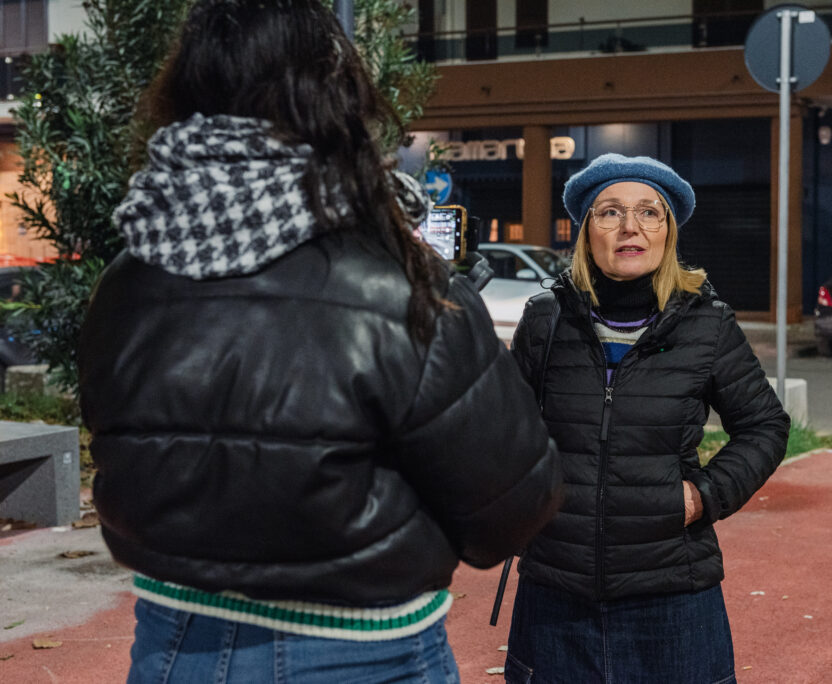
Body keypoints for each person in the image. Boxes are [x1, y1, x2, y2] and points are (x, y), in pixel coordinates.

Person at [76, 1, 562, 682]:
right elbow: (515, 505)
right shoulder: (396, 282)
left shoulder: (128, 278)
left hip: (171, 644)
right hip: (362, 653)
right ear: (336, 93)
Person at [505, 153, 790, 684]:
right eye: (609, 212)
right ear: (586, 229)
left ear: (668, 231)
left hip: (673, 597)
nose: (630, 227)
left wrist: (704, 495)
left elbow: (765, 426)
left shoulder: (706, 325)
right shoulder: (545, 320)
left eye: (649, 212)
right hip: (556, 595)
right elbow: (505, 432)